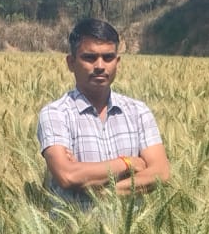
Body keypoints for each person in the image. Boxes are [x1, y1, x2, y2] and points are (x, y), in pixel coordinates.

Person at [37, 18, 171, 210]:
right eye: (89, 57)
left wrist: (103, 191)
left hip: (131, 228)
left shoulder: (138, 111)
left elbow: (161, 173)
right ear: (71, 63)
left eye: (108, 57)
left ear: (117, 62)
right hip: (73, 227)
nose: (100, 65)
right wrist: (128, 163)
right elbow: (68, 175)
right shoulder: (56, 114)